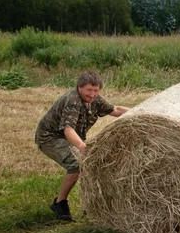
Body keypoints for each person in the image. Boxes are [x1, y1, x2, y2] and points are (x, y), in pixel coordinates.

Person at [35, 70, 128, 221]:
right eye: (89, 90)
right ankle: (60, 202)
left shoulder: (95, 99)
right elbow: (68, 129)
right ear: (80, 87)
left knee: (90, 164)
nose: (92, 94)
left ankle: (91, 206)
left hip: (67, 137)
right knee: (77, 164)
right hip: (50, 138)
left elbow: (115, 110)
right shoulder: (73, 102)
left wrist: (141, 112)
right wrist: (81, 146)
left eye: (95, 90)